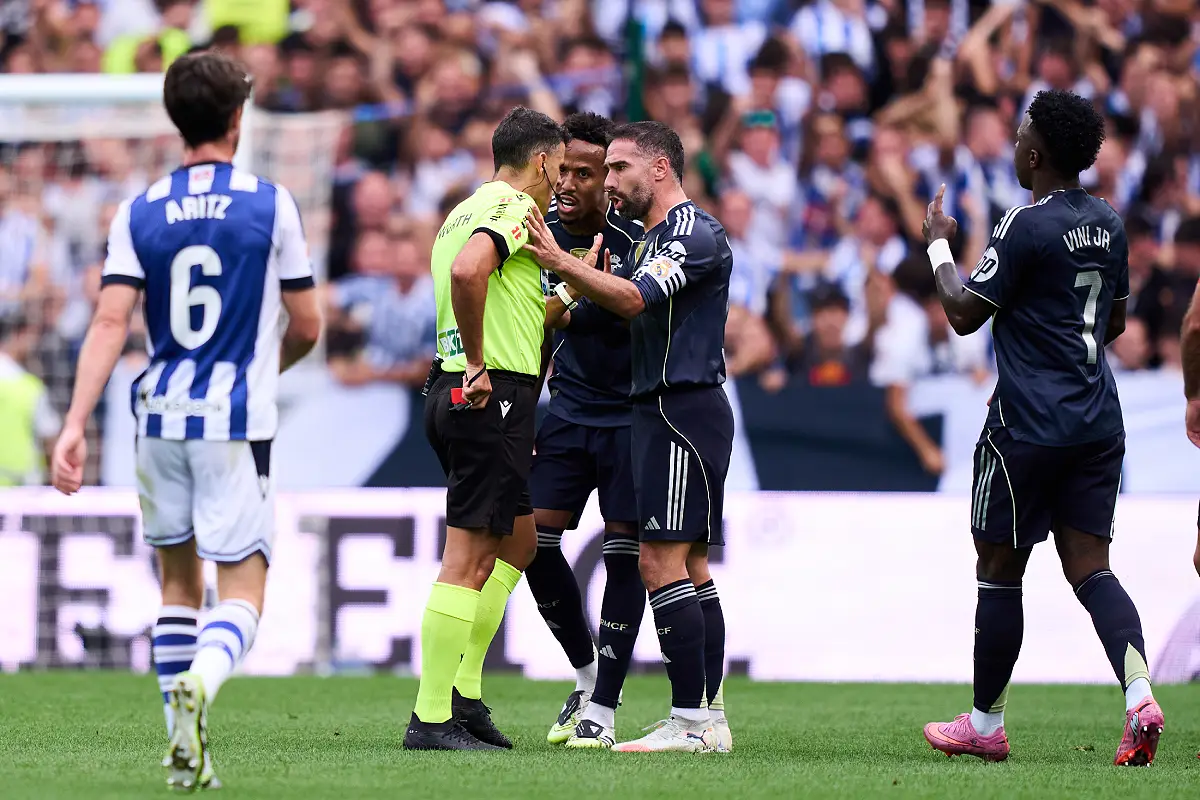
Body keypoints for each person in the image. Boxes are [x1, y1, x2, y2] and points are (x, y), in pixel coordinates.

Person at [48, 51, 322, 790]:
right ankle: (201, 680)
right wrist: (267, 368)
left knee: (176, 584)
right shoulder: (270, 203)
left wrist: (74, 423)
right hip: (233, 418)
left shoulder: (138, 209)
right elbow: (306, 324)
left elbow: (110, 320)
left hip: (156, 416)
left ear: (176, 122)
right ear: (239, 119)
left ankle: (184, 750)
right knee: (243, 591)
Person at [918, 89, 1163, 766]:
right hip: (1096, 420)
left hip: (1026, 424)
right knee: (1092, 568)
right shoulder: (1110, 222)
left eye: (1023, 133)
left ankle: (985, 725)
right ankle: (1140, 695)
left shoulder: (1024, 225)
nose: (1016, 143)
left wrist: (939, 247)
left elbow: (965, 311)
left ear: (1038, 152)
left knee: (999, 568)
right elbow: (1111, 323)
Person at [525, 121, 734, 754]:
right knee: (690, 566)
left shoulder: (691, 232)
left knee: (658, 563)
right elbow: (596, 311)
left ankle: (693, 723)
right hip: (663, 410)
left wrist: (560, 261)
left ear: (661, 169)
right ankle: (707, 717)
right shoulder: (647, 239)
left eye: (618, 169)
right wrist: (567, 286)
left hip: (678, 409)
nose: (609, 183)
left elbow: (638, 299)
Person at [408, 106, 567, 751]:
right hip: (485, 389)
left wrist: (577, 287)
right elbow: (470, 272)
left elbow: (513, 298)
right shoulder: (509, 208)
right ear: (539, 162)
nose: (559, 181)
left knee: (519, 543)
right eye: (557, 168)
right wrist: (477, 362)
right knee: (467, 560)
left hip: (471, 390)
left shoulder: (463, 209)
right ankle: (431, 715)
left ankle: (465, 697)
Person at [520, 112, 646, 746]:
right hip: (567, 412)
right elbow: (535, 329)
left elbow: (636, 312)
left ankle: (604, 706)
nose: (567, 182)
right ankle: (586, 669)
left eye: (583, 172)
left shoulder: (636, 242)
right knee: (529, 542)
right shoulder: (535, 235)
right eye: (560, 169)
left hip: (629, 418)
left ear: (609, 181)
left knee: (626, 556)